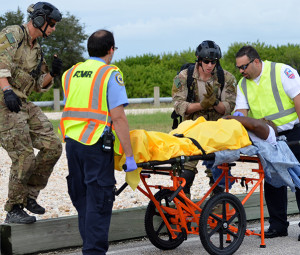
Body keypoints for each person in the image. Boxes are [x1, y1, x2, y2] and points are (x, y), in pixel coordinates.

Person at [59, 29, 138, 255]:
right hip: (95, 144)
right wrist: (129, 156)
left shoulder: (71, 73)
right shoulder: (109, 74)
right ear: (111, 49)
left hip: (72, 143)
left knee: (83, 198)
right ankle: (93, 251)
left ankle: (89, 248)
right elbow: (119, 117)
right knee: (100, 200)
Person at [0, 2, 63, 224]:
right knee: (24, 155)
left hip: (22, 101)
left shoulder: (37, 49)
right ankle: (14, 208)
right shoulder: (12, 34)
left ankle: (28, 197)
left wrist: (52, 74)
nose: (53, 29)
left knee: (53, 146)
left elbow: (38, 84)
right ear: (39, 20)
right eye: (52, 24)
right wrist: (7, 90)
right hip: (3, 100)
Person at [234, 45, 300, 239]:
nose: (241, 71)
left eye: (243, 67)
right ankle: (278, 226)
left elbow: (298, 101)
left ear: (256, 61)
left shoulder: (281, 72)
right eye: (238, 68)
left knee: (299, 178)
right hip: (268, 137)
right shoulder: (243, 84)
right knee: (273, 181)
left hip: (293, 132)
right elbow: (241, 114)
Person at [172, 40, 237, 197]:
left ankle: (218, 206)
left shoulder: (226, 78)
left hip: (216, 130)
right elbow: (179, 106)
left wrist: (214, 103)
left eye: (213, 62)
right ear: (198, 60)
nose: (210, 65)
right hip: (192, 129)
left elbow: (228, 107)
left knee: (219, 171)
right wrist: (202, 105)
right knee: (185, 170)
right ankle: (183, 207)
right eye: (206, 61)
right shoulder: (183, 77)